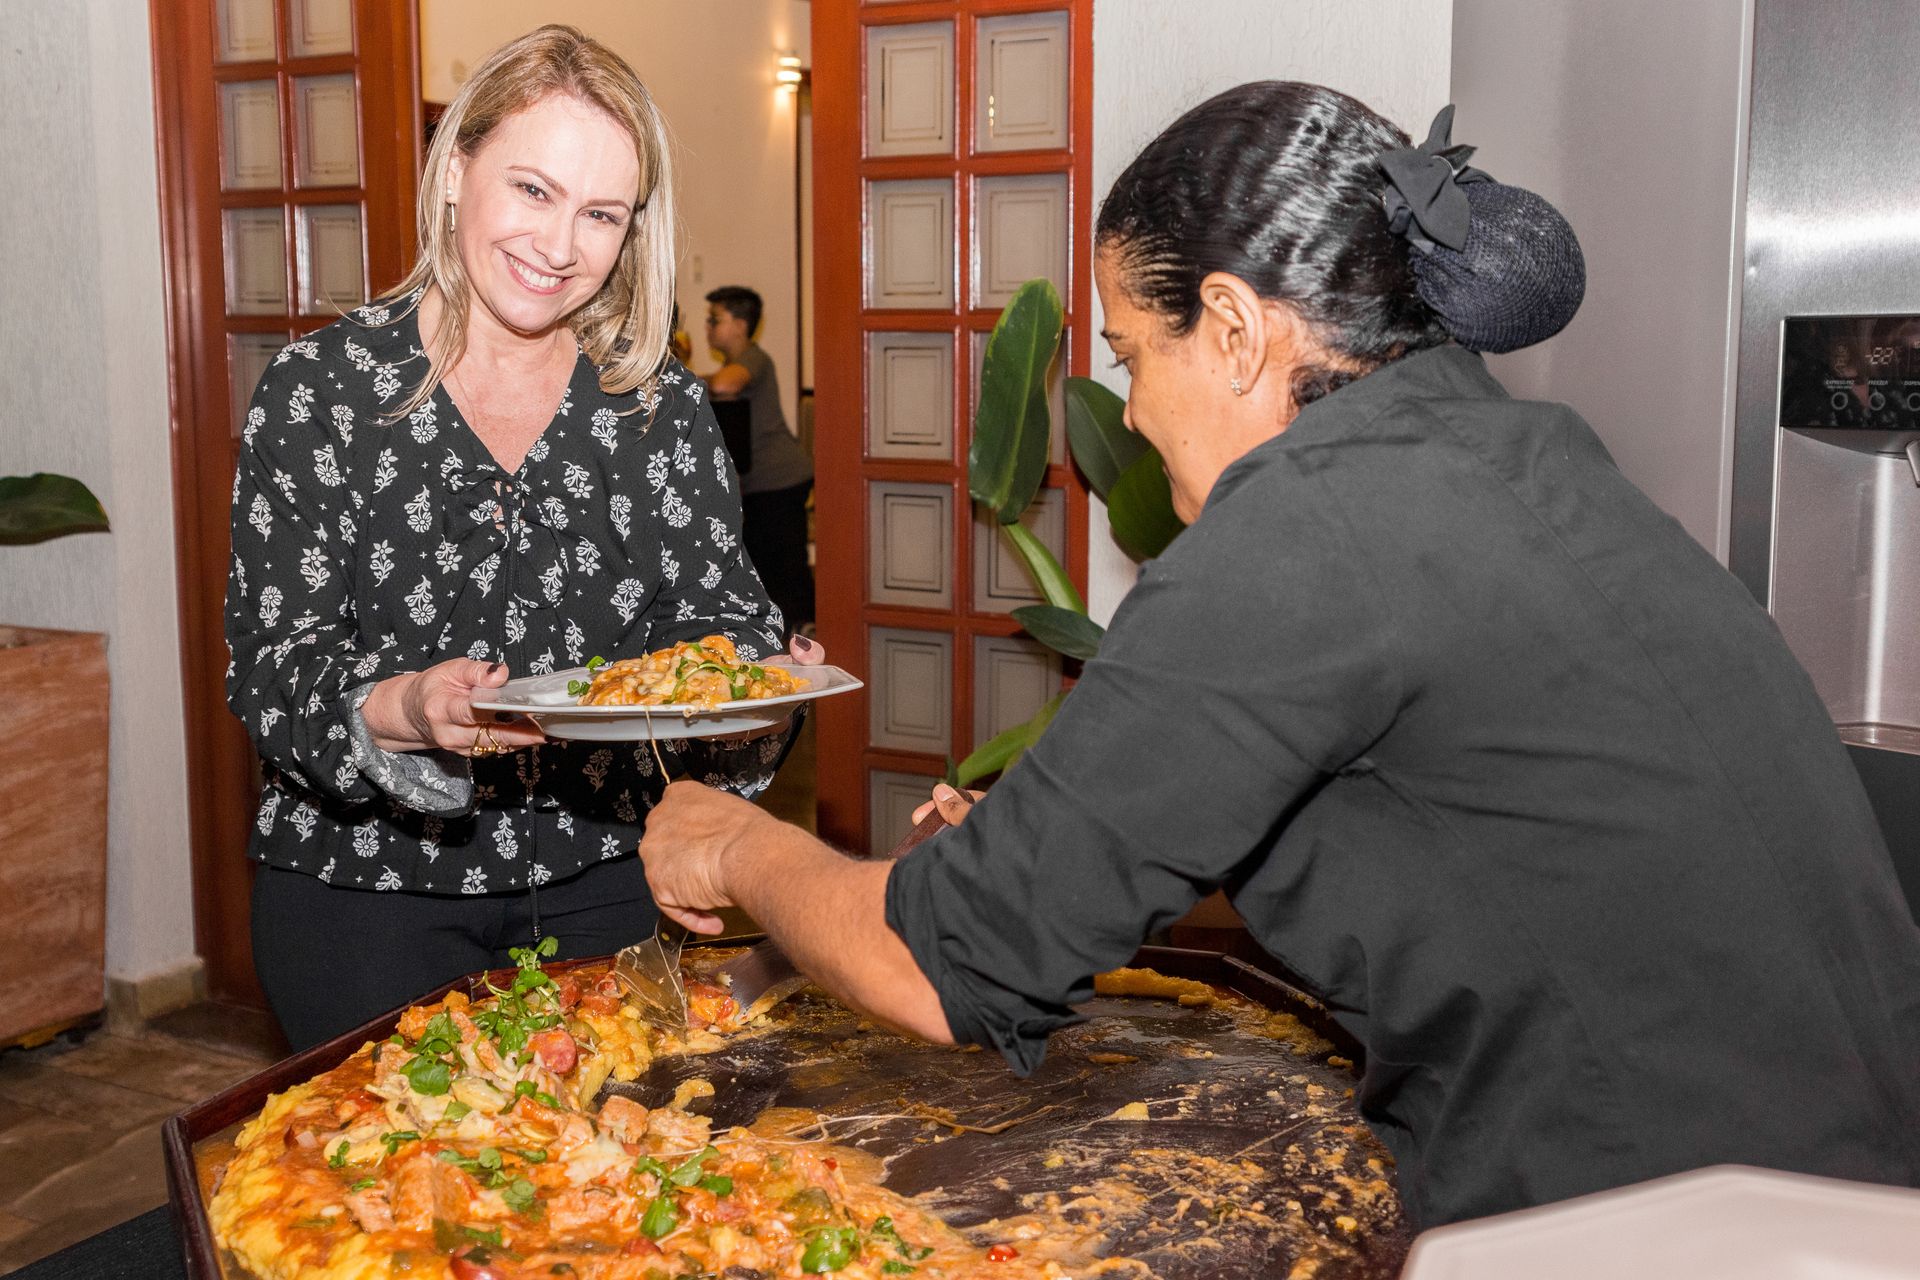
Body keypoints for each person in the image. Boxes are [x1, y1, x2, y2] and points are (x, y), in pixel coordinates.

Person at [637, 83, 1920, 1228]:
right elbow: (1450, 824)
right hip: (1843, 1184)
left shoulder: (1313, 526)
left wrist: (738, 844)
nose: (1128, 410)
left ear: (1239, 329)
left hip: (1653, 1219)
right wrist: (1049, 848)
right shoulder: (1507, 451)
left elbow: (939, 965)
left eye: (1136, 356)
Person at [225, 25, 818, 1050]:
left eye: (599, 214)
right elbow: (274, 671)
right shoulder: (321, 391)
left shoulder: (656, 408)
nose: (558, 246)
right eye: (532, 191)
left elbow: (721, 624)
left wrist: (759, 684)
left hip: (603, 882)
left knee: (608, 1188)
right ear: (456, 169)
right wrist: (407, 704)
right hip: (364, 893)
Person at [702, 285, 814, 635]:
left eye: (715, 319)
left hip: (778, 478)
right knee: (770, 564)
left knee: (783, 567)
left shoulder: (753, 358)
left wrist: (686, 379)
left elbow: (723, 387)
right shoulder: (740, 361)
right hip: (763, 481)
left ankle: (803, 631)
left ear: (739, 325)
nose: (708, 327)